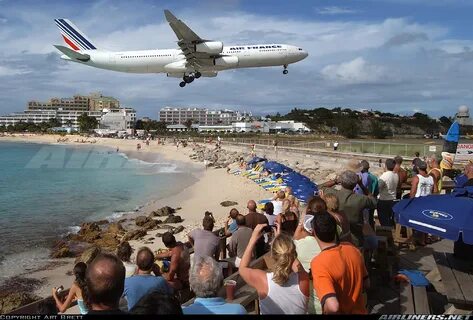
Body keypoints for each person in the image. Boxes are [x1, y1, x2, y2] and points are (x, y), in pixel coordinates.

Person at [239, 224, 310, 314]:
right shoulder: (303, 279)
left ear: (272, 255)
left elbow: (242, 268)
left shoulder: (263, 280)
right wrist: (283, 245)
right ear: (293, 253)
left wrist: (253, 239)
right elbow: (296, 264)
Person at [310, 212, 369, 314]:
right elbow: (366, 284)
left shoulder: (318, 263)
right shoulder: (353, 250)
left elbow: (333, 306)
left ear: (313, 232)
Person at [319, 170, 377, 247]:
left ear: (342, 182)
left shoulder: (333, 194)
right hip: (355, 240)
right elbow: (374, 201)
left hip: (337, 239)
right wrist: (361, 185)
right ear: (355, 184)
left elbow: (320, 187)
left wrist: (336, 181)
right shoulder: (361, 199)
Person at [409, 161, 435, 246]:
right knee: (426, 221)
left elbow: (413, 192)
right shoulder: (431, 177)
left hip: (418, 201)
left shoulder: (417, 177)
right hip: (428, 201)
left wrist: (410, 202)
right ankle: (424, 239)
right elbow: (435, 191)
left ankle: (417, 240)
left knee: (416, 222)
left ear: (418, 168)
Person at [377, 158, 399, 227]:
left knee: (384, 221)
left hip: (384, 200)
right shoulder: (396, 175)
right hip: (393, 200)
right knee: (391, 220)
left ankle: (387, 235)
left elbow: (378, 188)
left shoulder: (384, 176)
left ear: (385, 166)